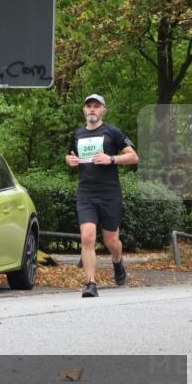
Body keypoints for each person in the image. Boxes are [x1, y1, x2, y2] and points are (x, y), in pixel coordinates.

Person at [66, 94, 139, 298]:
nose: (92, 110)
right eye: (88, 106)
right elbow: (69, 154)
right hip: (86, 193)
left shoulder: (112, 132)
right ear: (84, 111)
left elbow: (133, 156)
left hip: (109, 194)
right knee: (87, 237)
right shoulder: (78, 134)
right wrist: (70, 160)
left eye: (96, 107)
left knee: (111, 241)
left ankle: (117, 262)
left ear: (103, 111)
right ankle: (91, 283)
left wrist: (111, 159)